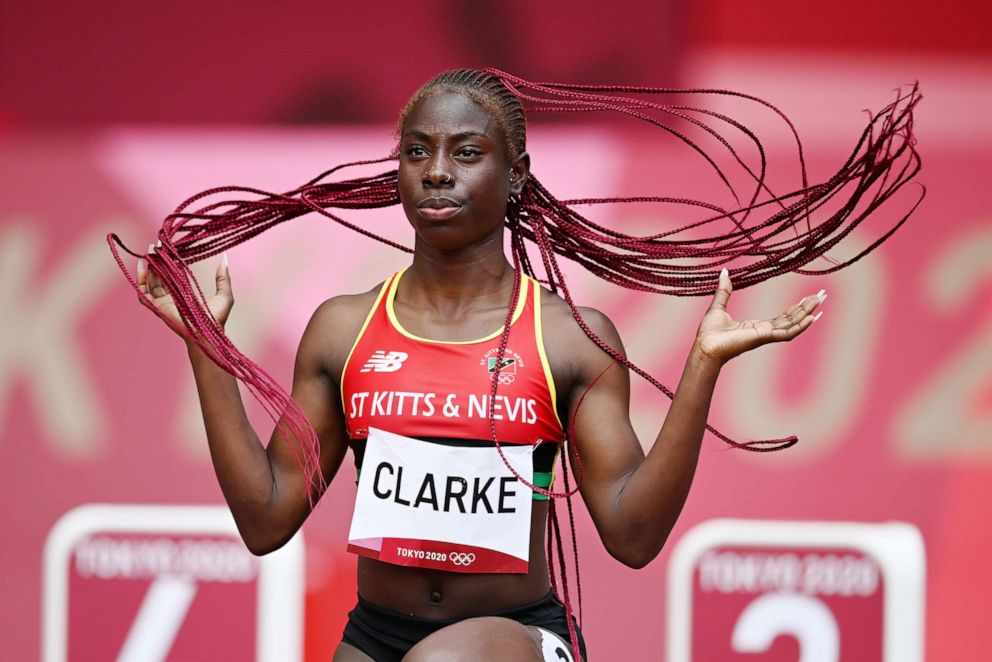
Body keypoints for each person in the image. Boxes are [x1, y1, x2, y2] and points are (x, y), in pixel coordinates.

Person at [124, 69, 919, 661]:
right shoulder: (342, 331)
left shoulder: (570, 336)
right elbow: (266, 520)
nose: (437, 171)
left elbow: (634, 535)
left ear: (517, 176)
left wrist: (703, 367)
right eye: (416, 152)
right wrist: (207, 344)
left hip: (521, 642)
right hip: (376, 635)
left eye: (466, 152)